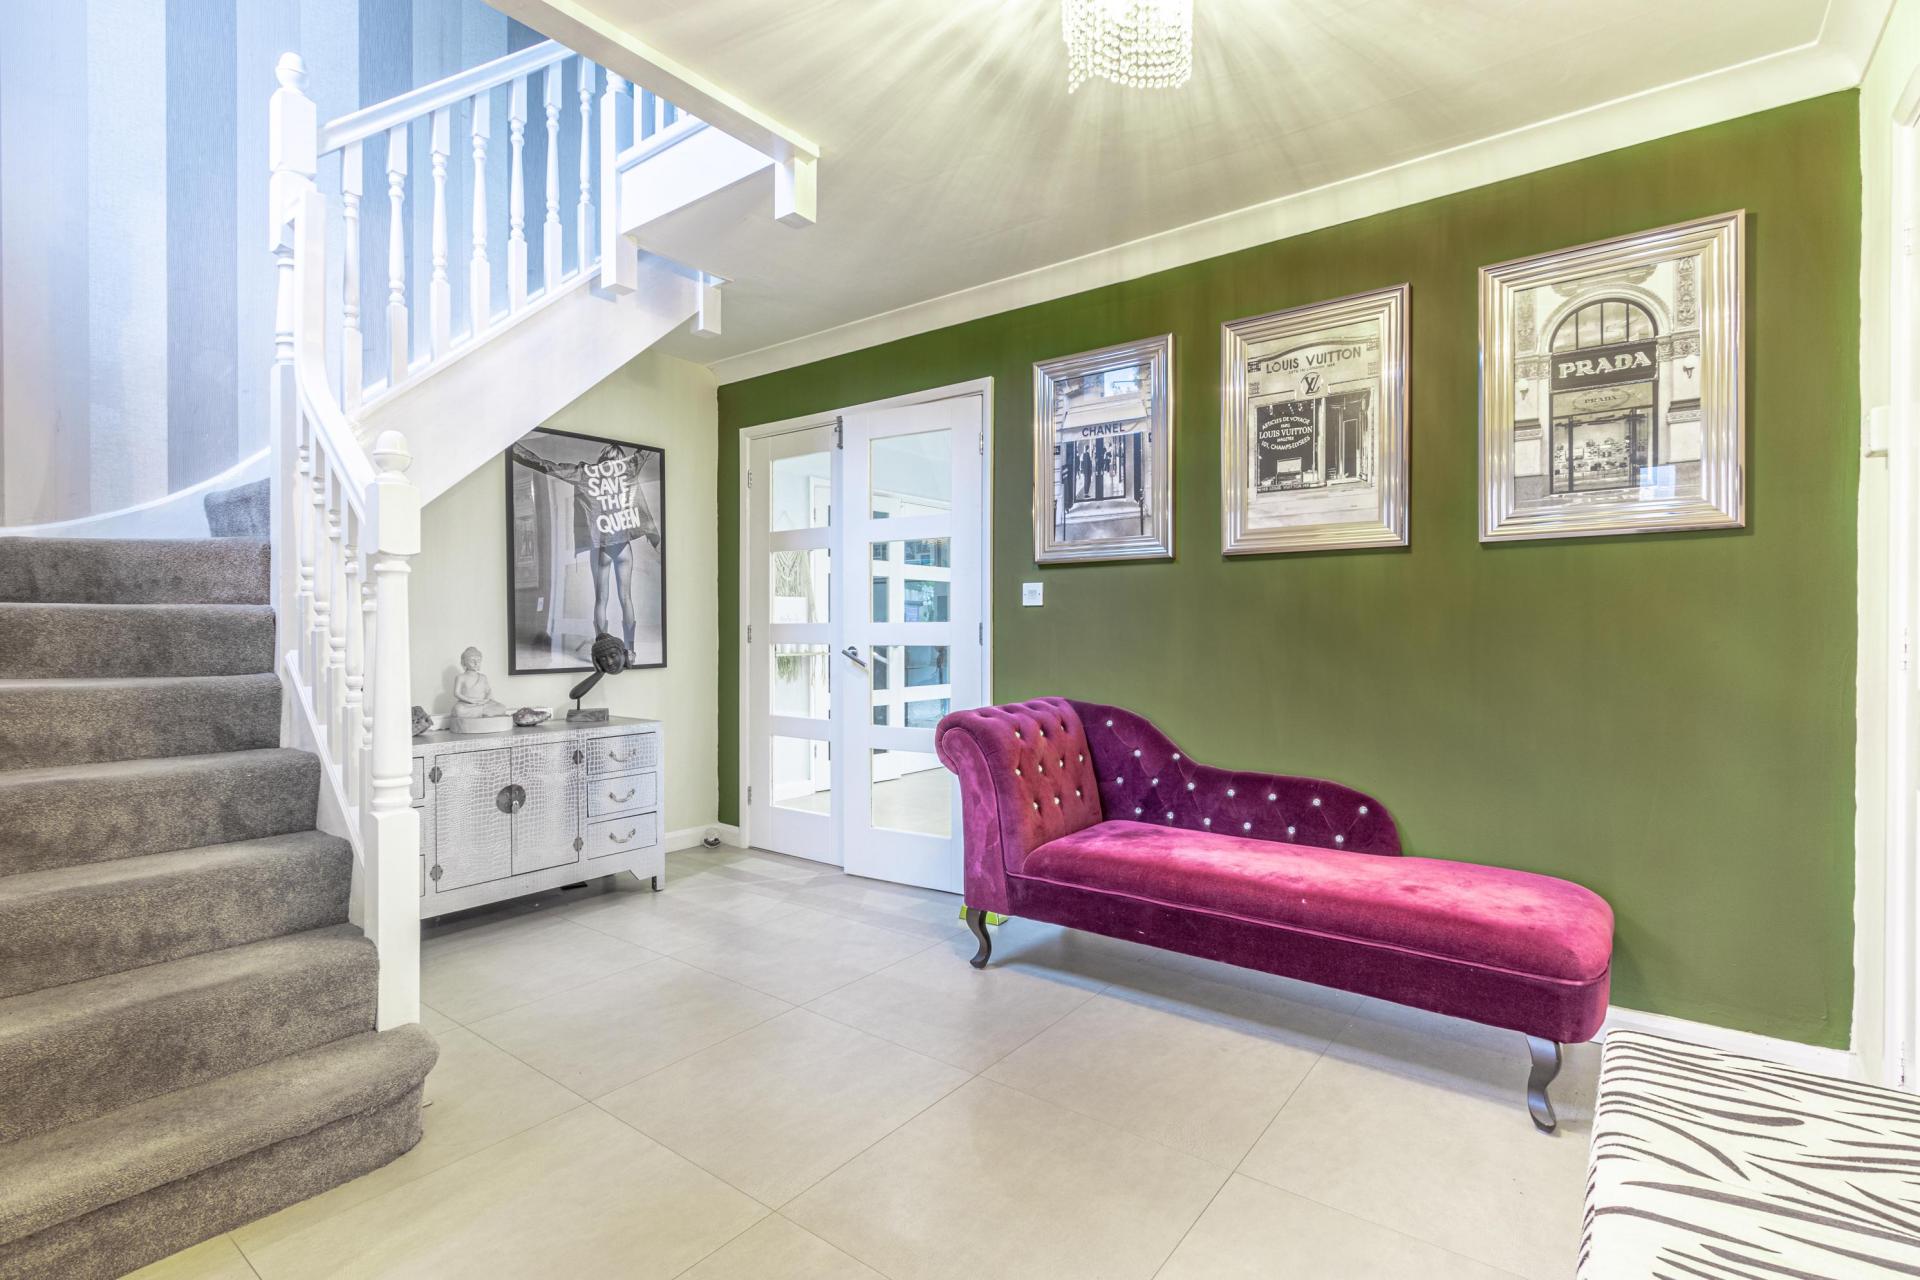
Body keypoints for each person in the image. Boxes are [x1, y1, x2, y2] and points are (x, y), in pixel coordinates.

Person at [511, 439, 662, 663]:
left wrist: (514, 449)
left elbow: (546, 465)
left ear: (602, 458)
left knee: (601, 601)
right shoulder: (629, 468)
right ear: (621, 459)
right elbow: (645, 452)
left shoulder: (586, 474)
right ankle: (630, 651)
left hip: (601, 548)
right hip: (623, 547)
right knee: (626, 599)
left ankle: (603, 650)